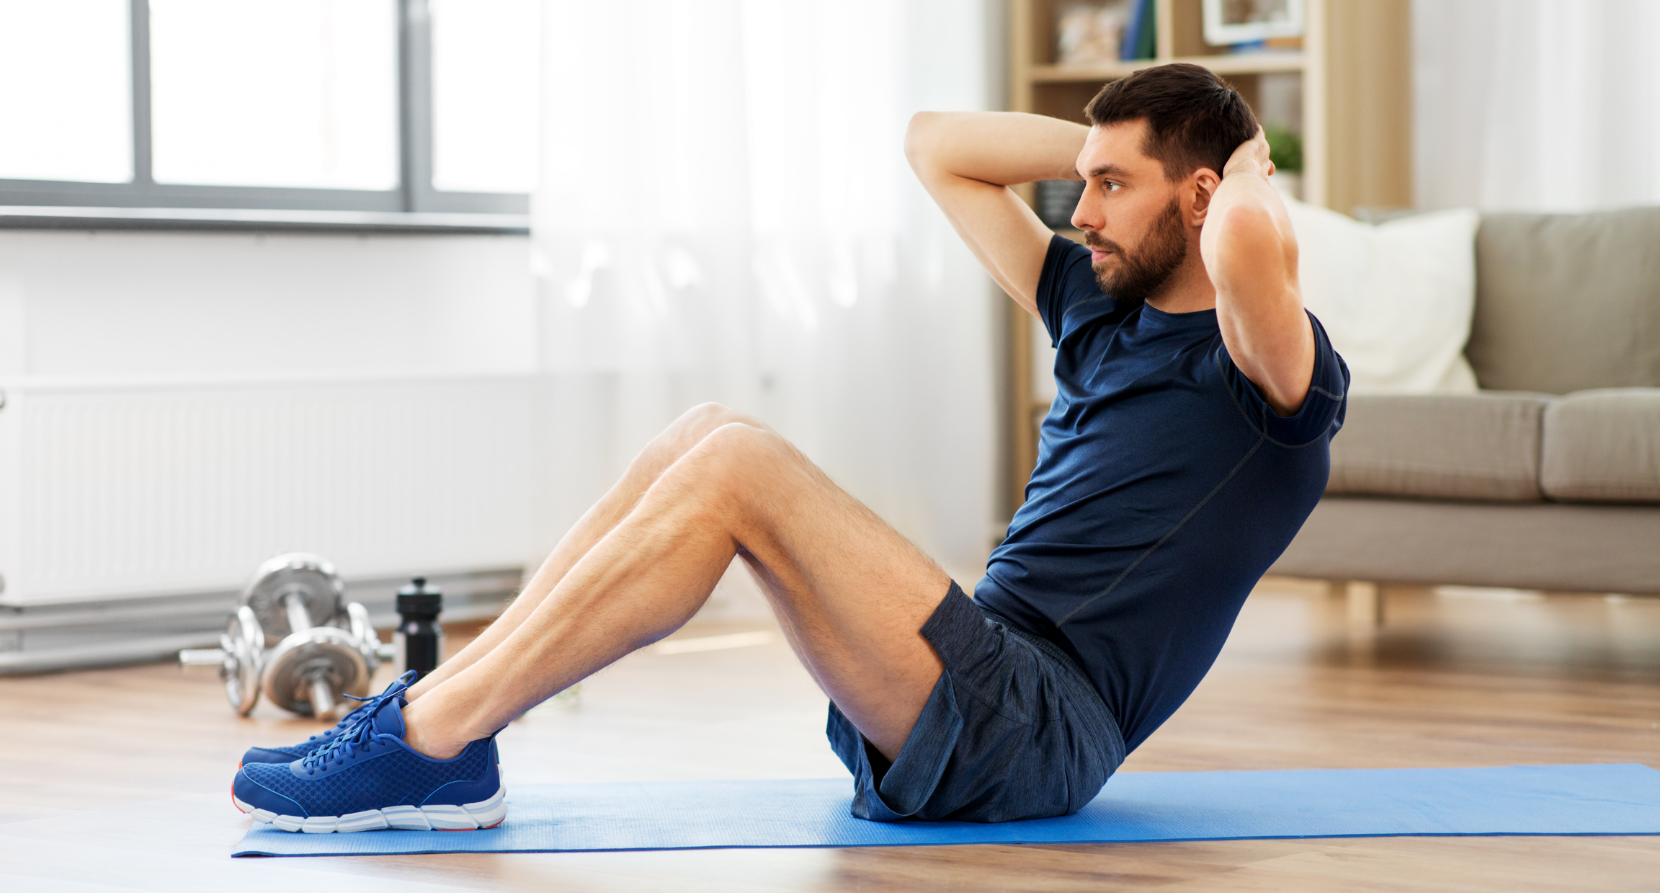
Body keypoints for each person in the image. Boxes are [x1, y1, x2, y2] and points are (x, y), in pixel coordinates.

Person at [232, 62, 1347, 833]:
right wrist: (1117, 147)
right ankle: (437, 715)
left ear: (1199, 199)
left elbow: (1249, 237)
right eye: (1084, 183)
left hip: (1038, 731)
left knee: (741, 468)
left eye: (1110, 187)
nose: (1081, 209)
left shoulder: (1265, 373)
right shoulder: (1100, 307)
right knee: (705, 433)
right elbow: (936, 146)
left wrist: (1233, 163)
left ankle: (430, 748)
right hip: (956, 685)